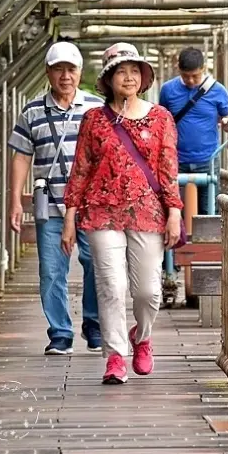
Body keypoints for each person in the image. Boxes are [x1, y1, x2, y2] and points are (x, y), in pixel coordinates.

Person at [62, 42, 183, 385]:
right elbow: (81, 169)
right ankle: (115, 355)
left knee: (148, 291)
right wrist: (70, 217)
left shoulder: (160, 118)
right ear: (108, 79)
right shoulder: (94, 120)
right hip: (101, 212)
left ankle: (141, 337)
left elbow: (168, 168)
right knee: (111, 286)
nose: (128, 77)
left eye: (134, 71)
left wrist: (174, 211)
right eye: (121, 71)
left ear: (143, 78)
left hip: (148, 212)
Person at [7, 41, 103, 356]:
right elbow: (21, 156)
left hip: (90, 204)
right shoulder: (32, 111)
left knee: (95, 263)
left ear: (80, 72)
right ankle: (60, 333)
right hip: (50, 203)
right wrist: (14, 202)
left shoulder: (96, 108)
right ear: (48, 72)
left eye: (71, 69)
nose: (65, 76)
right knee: (51, 269)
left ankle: (93, 323)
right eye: (59, 69)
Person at [159, 47, 228, 216]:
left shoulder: (218, 91)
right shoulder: (168, 90)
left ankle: (207, 243)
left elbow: (227, 118)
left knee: (208, 210)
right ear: (179, 70)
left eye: (195, 76)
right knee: (175, 211)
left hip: (208, 159)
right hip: (175, 160)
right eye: (186, 76)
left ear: (203, 69)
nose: (190, 80)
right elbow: (161, 121)